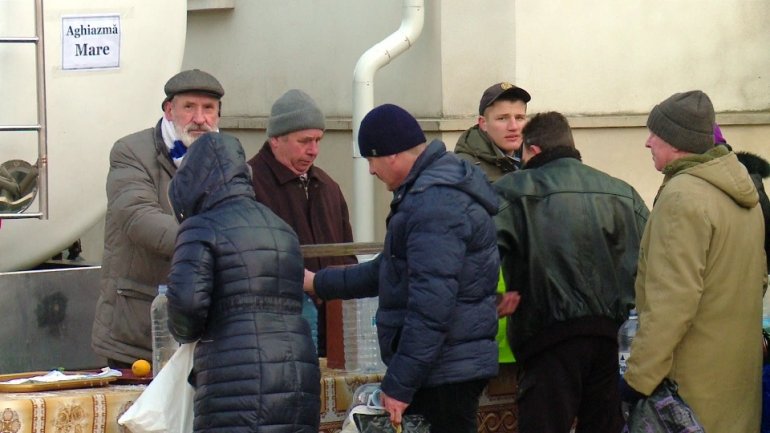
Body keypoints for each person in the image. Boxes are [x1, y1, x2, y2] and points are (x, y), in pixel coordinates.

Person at [304, 104, 500, 433]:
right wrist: (318, 282)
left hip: (444, 370)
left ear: (391, 155)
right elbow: (389, 270)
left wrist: (399, 385)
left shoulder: (432, 202)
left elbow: (430, 308)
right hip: (447, 364)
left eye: (371, 159)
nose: (370, 171)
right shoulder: (431, 194)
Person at [494, 111, 649, 433]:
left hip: (545, 339)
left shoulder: (513, 190)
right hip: (609, 338)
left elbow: (478, 253)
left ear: (532, 150)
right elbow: (652, 259)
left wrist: (489, 299)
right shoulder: (622, 192)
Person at [621, 90, 766, 433]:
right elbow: (758, 279)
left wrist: (639, 379)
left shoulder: (684, 196)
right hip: (735, 386)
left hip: (689, 393)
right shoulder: (745, 195)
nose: (647, 143)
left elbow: (671, 302)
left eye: (654, 134)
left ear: (676, 141)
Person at [166, 132, 320, 432]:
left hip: (235, 379)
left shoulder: (200, 227)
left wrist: (187, 333)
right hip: (298, 373)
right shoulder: (281, 228)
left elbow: (186, 308)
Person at [91, 69, 224, 367]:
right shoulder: (131, 152)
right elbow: (139, 218)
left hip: (207, 334)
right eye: (189, 107)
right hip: (139, 329)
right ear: (169, 109)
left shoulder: (230, 159)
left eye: (208, 109)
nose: (199, 118)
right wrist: (213, 242)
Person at [247, 89, 355, 357]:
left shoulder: (328, 187)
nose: (314, 150)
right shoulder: (248, 185)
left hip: (332, 333)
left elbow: (347, 258)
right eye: (304, 141)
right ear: (275, 140)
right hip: (275, 333)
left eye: (318, 140)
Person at [454, 82, 531, 181]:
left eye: (519, 118)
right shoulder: (464, 169)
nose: (513, 126)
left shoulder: (536, 158)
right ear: (483, 123)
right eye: (502, 118)